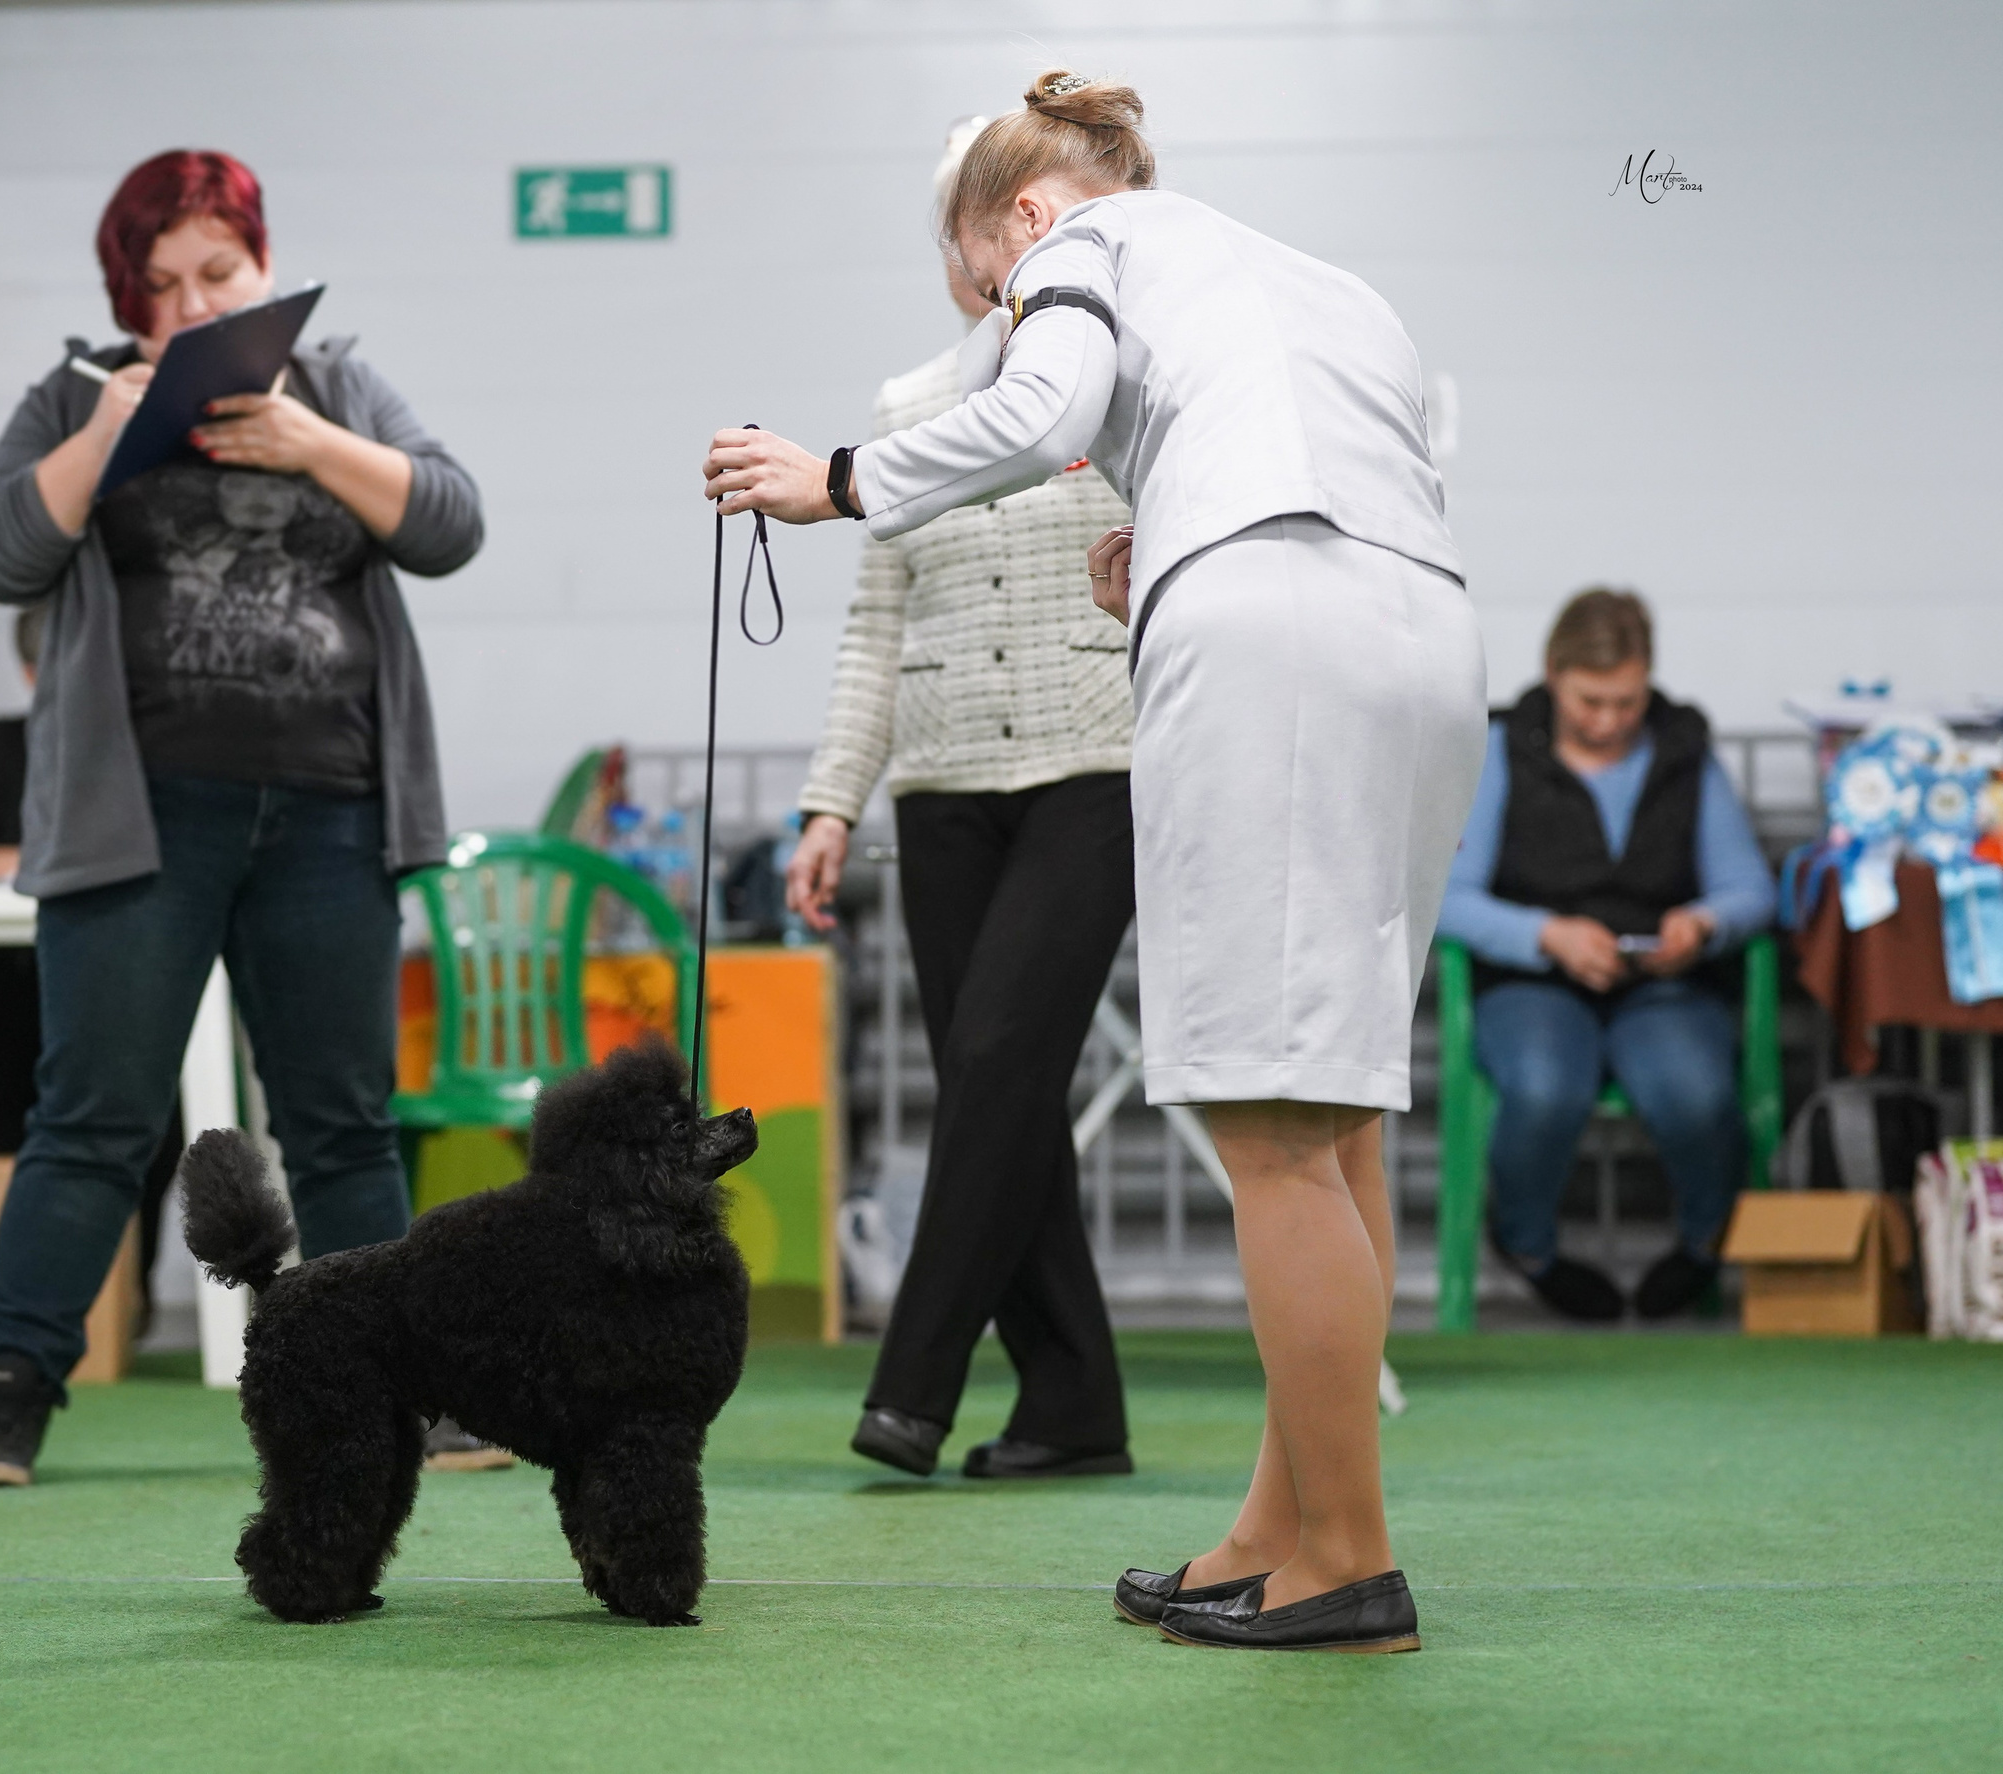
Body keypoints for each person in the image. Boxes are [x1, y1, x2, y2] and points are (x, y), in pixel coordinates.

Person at [704, 73, 1485, 1653]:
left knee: (1266, 1123)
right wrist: (1168, 523)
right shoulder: (1313, 274)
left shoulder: (1080, 241)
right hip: (1421, 629)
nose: (1000, 306)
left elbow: (1049, 408)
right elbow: (1355, 456)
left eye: (986, 282)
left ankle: (1347, 1556)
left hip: (1262, 627)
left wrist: (839, 476)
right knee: (1327, 1117)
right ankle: (1280, 1524)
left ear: (1028, 218)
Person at [0, 149, 483, 1488]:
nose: (190, 304)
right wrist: (103, 438)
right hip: (139, 825)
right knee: (94, 1116)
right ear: (128, 298)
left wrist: (309, 440)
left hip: (329, 814)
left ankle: (400, 1392)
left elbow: (451, 523)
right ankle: (5, 1400)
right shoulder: (73, 396)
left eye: (217, 276)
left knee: (345, 1121)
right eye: (160, 284)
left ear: (261, 267)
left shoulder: (343, 383)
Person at [786, 118, 1138, 1481]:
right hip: (939, 786)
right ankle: (1073, 1403)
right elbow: (875, 627)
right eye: (961, 237)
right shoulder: (902, 407)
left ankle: (912, 1384)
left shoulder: (1111, 387)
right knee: (1008, 1088)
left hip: (1092, 764)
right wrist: (831, 804)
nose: (977, 259)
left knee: (996, 1060)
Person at [1438, 588, 1772, 1321]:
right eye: (1591, 700)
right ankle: (1527, 1245)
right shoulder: (1499, 751)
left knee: (1695, 1090)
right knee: (1543, 1086)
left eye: (1626, 701)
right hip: (1534, 980)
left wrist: (1704, 925)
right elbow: (1450, 897)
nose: (1609, 720)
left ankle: (1705, 1243)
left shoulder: (1685, 753)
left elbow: (1750, 889)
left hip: (1664, 985)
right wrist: (1545, 935)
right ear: (1554, 674)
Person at [0, 606, 183, 1310]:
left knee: (146, 1113)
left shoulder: (162, 765)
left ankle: (122, 1299)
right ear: (32, 673)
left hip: (113, 1013)